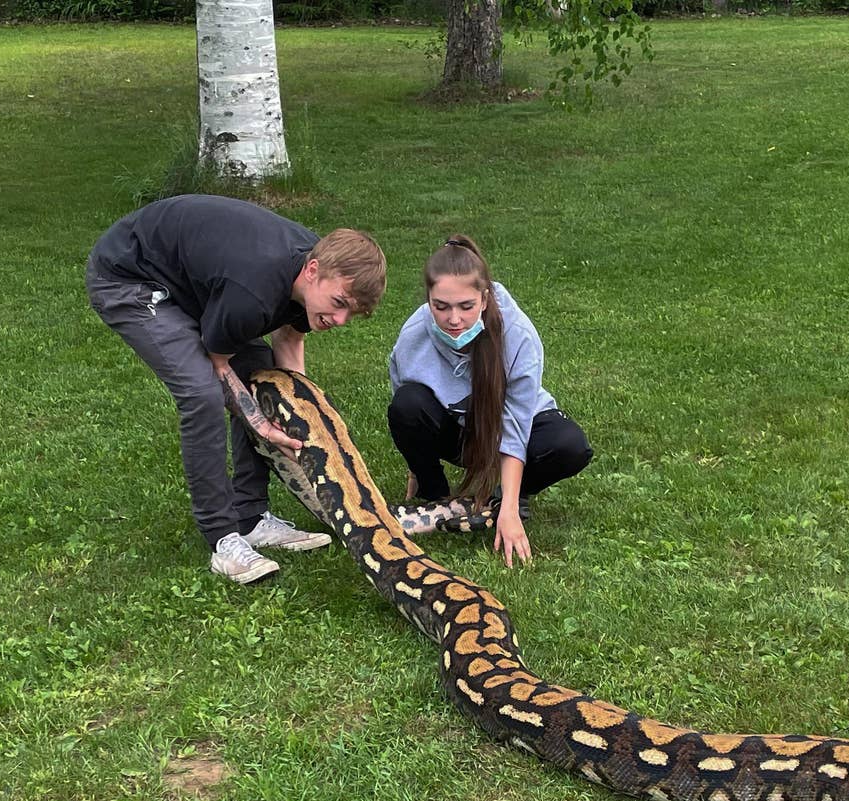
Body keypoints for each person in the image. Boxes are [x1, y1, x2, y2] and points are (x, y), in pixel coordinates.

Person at [85, 195, 386, 583]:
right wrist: (263, 427)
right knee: (201, 394)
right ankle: (223, 538)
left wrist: (300, 418)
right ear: (312, 271)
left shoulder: (316, 275)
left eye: (352, 313)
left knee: (264, 378)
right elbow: (220, 363)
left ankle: (251, 516)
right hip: (131, 278)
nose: (341, 319)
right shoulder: (255, 291)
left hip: (199, 282)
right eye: (339, 303)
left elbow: (289, 339)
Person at [387, 235, 592, 567]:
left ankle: (505, 497)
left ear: (484, 299)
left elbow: (515, 426)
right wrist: (416, 465)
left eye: (466, 306)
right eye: (441, 306)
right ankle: (436, 496)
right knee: (407, 403)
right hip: (460, 434)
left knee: (570, 445)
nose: (454, 319)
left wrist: (509, 509)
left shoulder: (518, 335)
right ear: (428, 299)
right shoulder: (413, 336)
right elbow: (405, 407)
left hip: (510, 431)